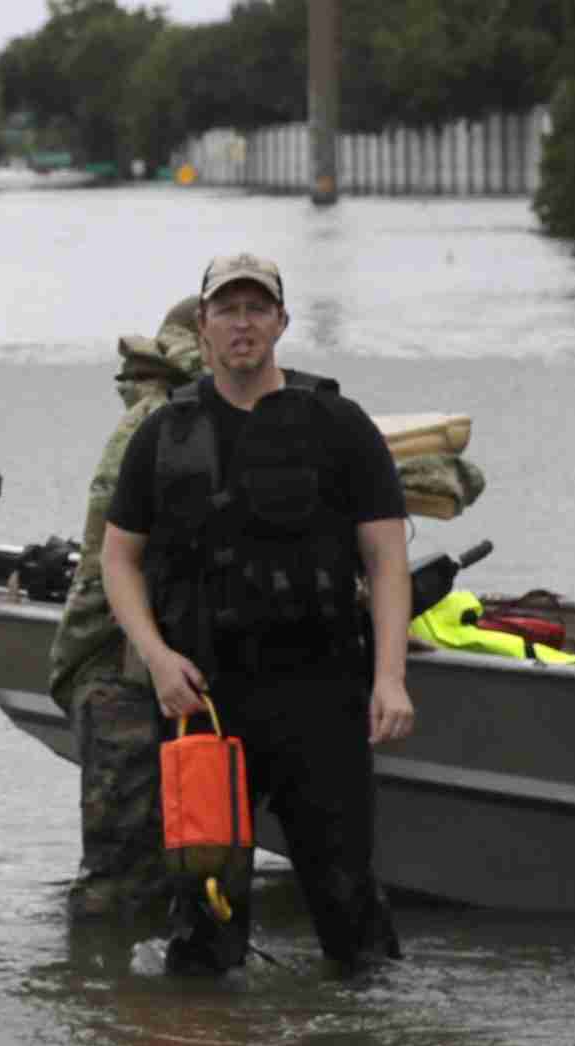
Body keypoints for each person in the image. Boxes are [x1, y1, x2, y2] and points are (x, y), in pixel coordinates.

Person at [100, 252, 413, 975]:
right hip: (204, 701)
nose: (242, 323)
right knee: (206, 911)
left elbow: (386, 559)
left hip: (322, 692)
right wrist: (155, 657)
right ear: (203, 326)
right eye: (227, 310)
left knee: (350, 909)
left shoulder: (338, 425)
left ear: (280, 321)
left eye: (256, 308)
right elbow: (120, 561)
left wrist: (390, 678)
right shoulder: (164, 434)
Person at [46, 296, 201, 922]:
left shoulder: (173, 421)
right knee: (122, 875)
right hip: (124, 675)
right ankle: (104, 994)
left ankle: (133, 1001)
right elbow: (104, 563)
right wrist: (78, 664)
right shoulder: (154, 427)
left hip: (159, 674)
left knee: (172, 861)